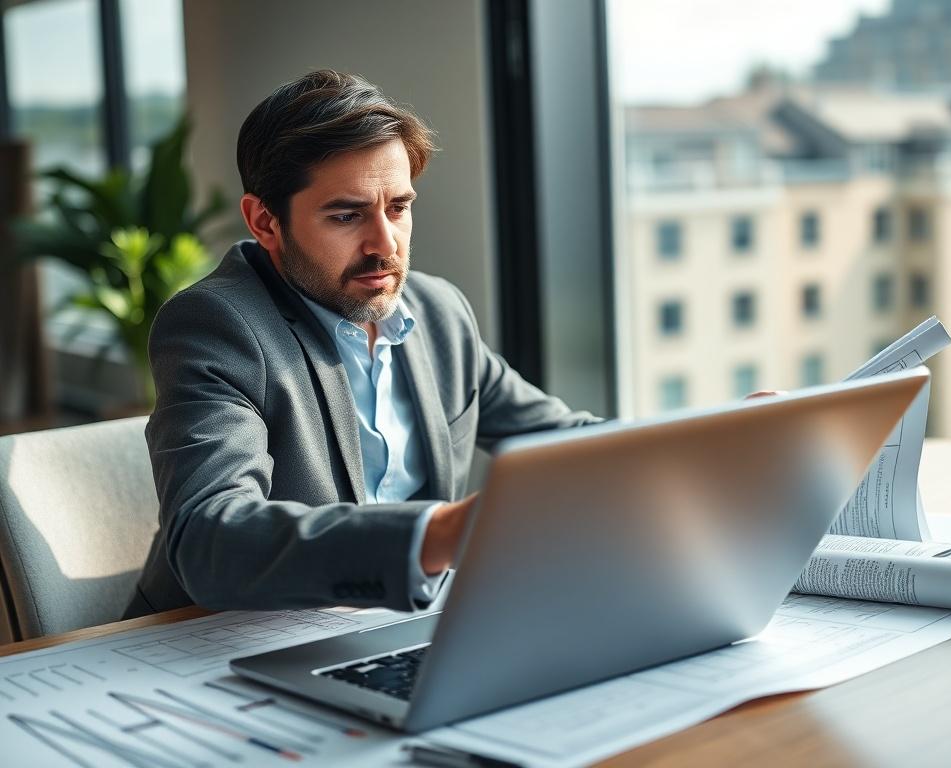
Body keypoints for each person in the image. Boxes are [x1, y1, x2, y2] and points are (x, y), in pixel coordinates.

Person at [124, 70, 600, 619]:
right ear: (265, 222)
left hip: (409, 625)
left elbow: (564, 440)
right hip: (219, 641)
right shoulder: (216, 325)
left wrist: (684, 465)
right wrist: (438, 533)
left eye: (398, 208)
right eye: (346, 215)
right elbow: (210, 540)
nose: (384, 245)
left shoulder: (440, 312)